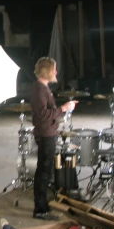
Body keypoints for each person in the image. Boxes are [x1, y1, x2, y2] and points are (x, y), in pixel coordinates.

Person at [30, 57, 78, 219]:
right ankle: (40, 209)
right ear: (47, 71)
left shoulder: (43, 88)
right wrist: (63, 108)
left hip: (48, 133)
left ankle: (42, 206)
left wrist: (63, 109)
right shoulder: (39, 90)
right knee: (43, 172)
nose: (56, 72)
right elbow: (43, 115)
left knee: (45, 171)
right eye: (54, 69)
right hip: (45, 134)